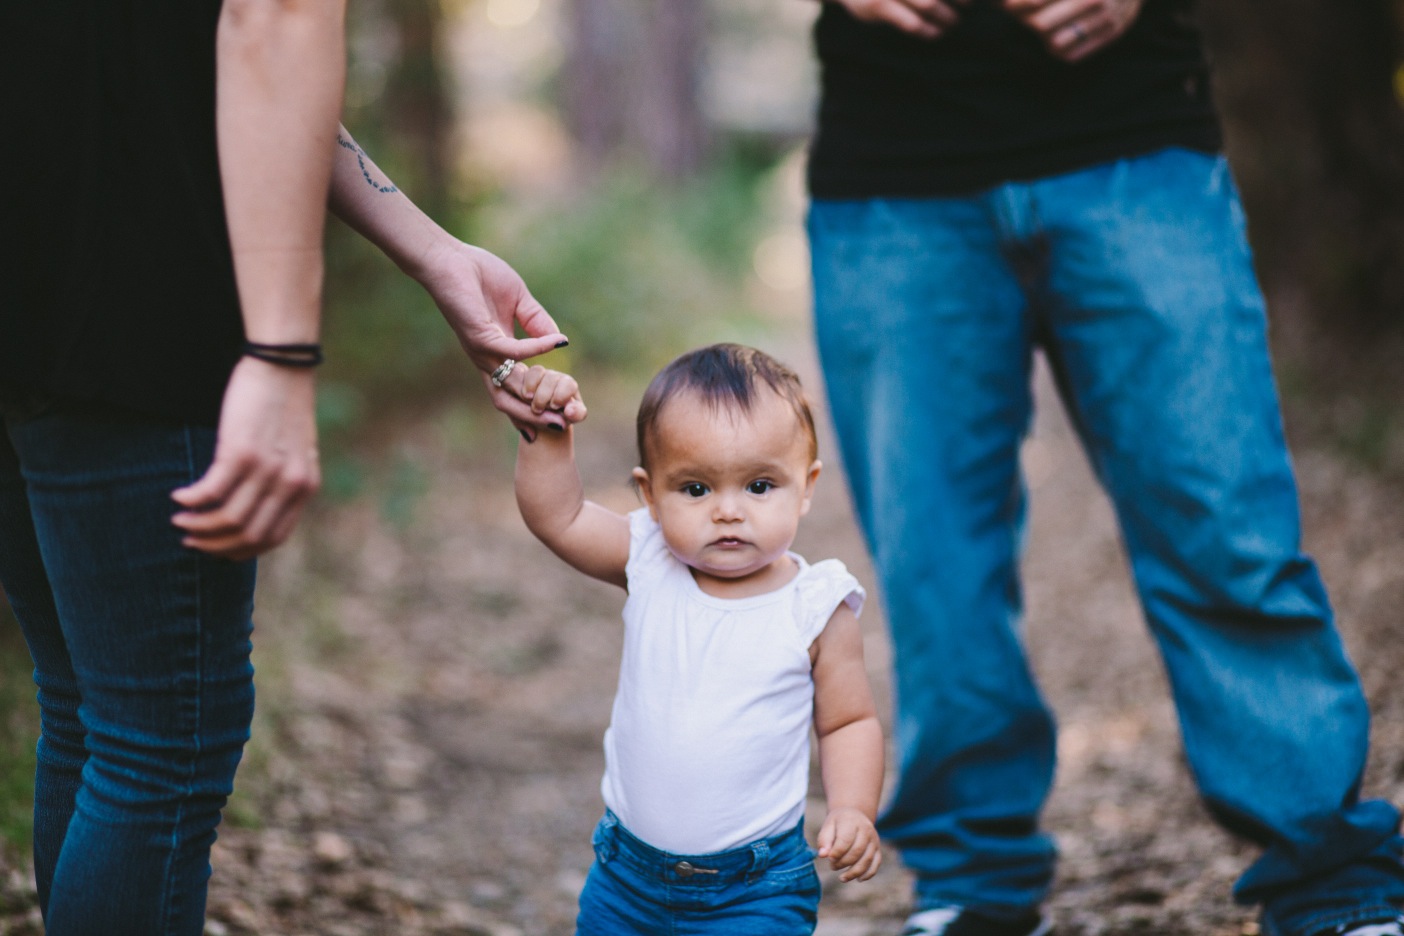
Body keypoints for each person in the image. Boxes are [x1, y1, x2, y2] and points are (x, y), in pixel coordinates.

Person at [802, 1, 1404, 935]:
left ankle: (1334, 883)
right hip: (892, 171)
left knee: (1225, 535)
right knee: (934, 569)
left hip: (1138, 144)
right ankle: (973, 888)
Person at [0, 2, 563, 932]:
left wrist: (432, 251)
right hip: (124, 272)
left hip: (37, 257)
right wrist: (279, 353)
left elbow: (190, 47)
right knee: (158, 746)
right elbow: (274, 20)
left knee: (92, 711)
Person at [511, 343, 885, 935]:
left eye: (760, 486)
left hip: (757, 890)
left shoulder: (815, 606)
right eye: (695, 489)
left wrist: (852, 810)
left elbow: (848, 722)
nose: (728, 511)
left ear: (806, 487)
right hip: (626, 881)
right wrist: (547, 434)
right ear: (650, 496)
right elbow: (559, 518)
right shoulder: (651, 560)